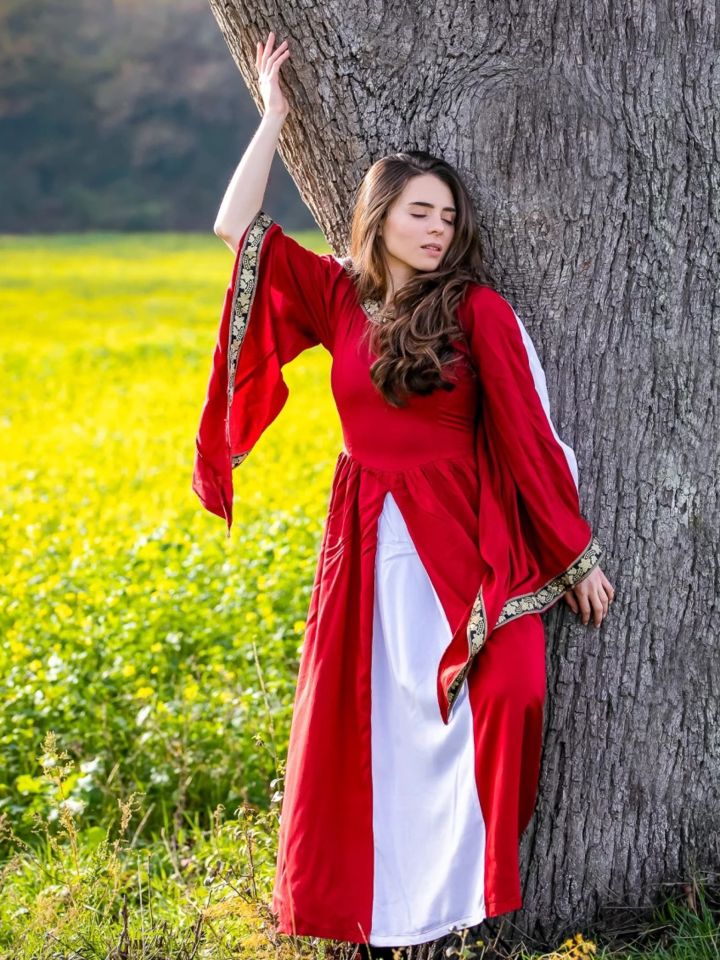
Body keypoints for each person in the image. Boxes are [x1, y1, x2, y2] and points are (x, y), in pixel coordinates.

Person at [192, 30, 615, 960]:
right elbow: (236, 228)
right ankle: (382, 913)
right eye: (420, 212)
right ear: (379, 215)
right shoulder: (340, 300)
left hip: (464, 535)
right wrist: (273, 116)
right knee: (372, 724)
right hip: (369, 536)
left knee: (509, 689)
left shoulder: (478, 312)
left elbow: (530, 443)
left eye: (448, 218)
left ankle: (463, 898)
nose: (437, 230)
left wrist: (573, 554)